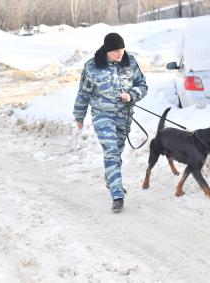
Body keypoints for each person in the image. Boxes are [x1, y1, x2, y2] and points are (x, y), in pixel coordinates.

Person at [73, 32, 148, 212]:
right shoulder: (92, 67)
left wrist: (131, 95)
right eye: (115, 50)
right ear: (107, 50)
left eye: (121, 49)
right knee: (112, 152)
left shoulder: (130, 61)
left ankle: (111, 179)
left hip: (124, 115)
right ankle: (117, 195)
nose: (119, 53)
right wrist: (79, 115)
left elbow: (143, 85)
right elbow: (83, 93)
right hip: (102, 115)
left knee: (118, 151)